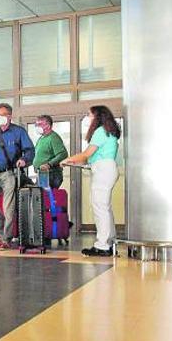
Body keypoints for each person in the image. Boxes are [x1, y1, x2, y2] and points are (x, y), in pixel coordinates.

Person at [62, 105, 120, 257]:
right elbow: (94, 158)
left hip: (103, 171)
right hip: (106, 168)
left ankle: (103, 245)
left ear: (98, 116)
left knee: (100, 208)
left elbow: (87, 154)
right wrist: (74, 162)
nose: (87, 117)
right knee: (104, 207)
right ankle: (110, 242)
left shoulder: (100, 131)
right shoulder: (109, 132)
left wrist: (67, 159)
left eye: (89, 115)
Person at [0, 103, 35, 250]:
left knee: (8, 208)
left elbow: (30, 150)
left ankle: (6, 239)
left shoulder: (18, 132)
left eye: (2, 115)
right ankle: (3, 234)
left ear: (9, 116)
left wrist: (24, 160)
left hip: (10, 174)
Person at [32, 115, 68, 189]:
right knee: (40, 197)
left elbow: (63, 154)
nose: (37, 127)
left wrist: (49, 164)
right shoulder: (41, 139)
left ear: (48, 126)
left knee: (44, 197)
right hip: (42, 173)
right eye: (36, 125)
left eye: (39, 124)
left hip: (51, 174)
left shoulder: (53, 137)